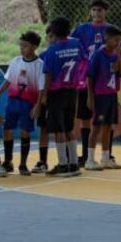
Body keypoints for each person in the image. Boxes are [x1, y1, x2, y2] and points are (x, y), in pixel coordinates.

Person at [0, 31, 45, 176]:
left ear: (34, 47)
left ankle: (23, 164)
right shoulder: (16, 61)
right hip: (13, 102)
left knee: (24, 132)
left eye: (25, 46)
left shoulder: (39, 65)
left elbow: (42, 89)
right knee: (7, 129)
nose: (21, 48)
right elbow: (8, 80)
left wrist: (38, 106)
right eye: (20, 45)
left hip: (28, 104)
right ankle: (8, 162)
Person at [38, 17, 86, 177]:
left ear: (54, 32)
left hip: (57, 92)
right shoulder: (76, 44)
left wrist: (45, 94)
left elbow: (48, 74)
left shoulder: (52, 50)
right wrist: (78, 79)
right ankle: (74, 164)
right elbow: (83, 62)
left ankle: (63, 165)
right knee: (69, 127)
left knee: (58, 130)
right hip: (72, 90)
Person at [72, 0, 116, 167]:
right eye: (94, 10)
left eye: (100, 10)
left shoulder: (110, 30)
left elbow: (118, 52)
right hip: (85, 79)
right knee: (85, 116)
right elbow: (72, 46)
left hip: (105, 81)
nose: (97, 13)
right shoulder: (82, 29)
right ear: (90, 12)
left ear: (106, 12)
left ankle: (108, 154)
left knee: (107, 120)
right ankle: (85, 155)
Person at [84, 26, 121, 171]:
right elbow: (90, 76)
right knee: (96, 127)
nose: (118, 43)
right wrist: (90, 97)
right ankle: (89, 159)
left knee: (109, 127)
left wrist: (120, 58)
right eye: (116, 40)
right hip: (100, 95)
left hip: (111, 94)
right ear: (107, 39)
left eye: (119, 40)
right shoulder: (98, 55)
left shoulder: (117, 55)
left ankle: (105, 157)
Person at [31, 27, 56, 174]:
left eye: (55, 36)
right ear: (47, 38)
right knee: (43, 128)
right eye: (50, 36)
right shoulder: (42, 57)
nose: (53, 39)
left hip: (59, 95)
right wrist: (40, 100)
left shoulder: (62, 53)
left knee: (62, 128)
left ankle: (66, 160)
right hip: (45, 96)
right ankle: (43, 161)